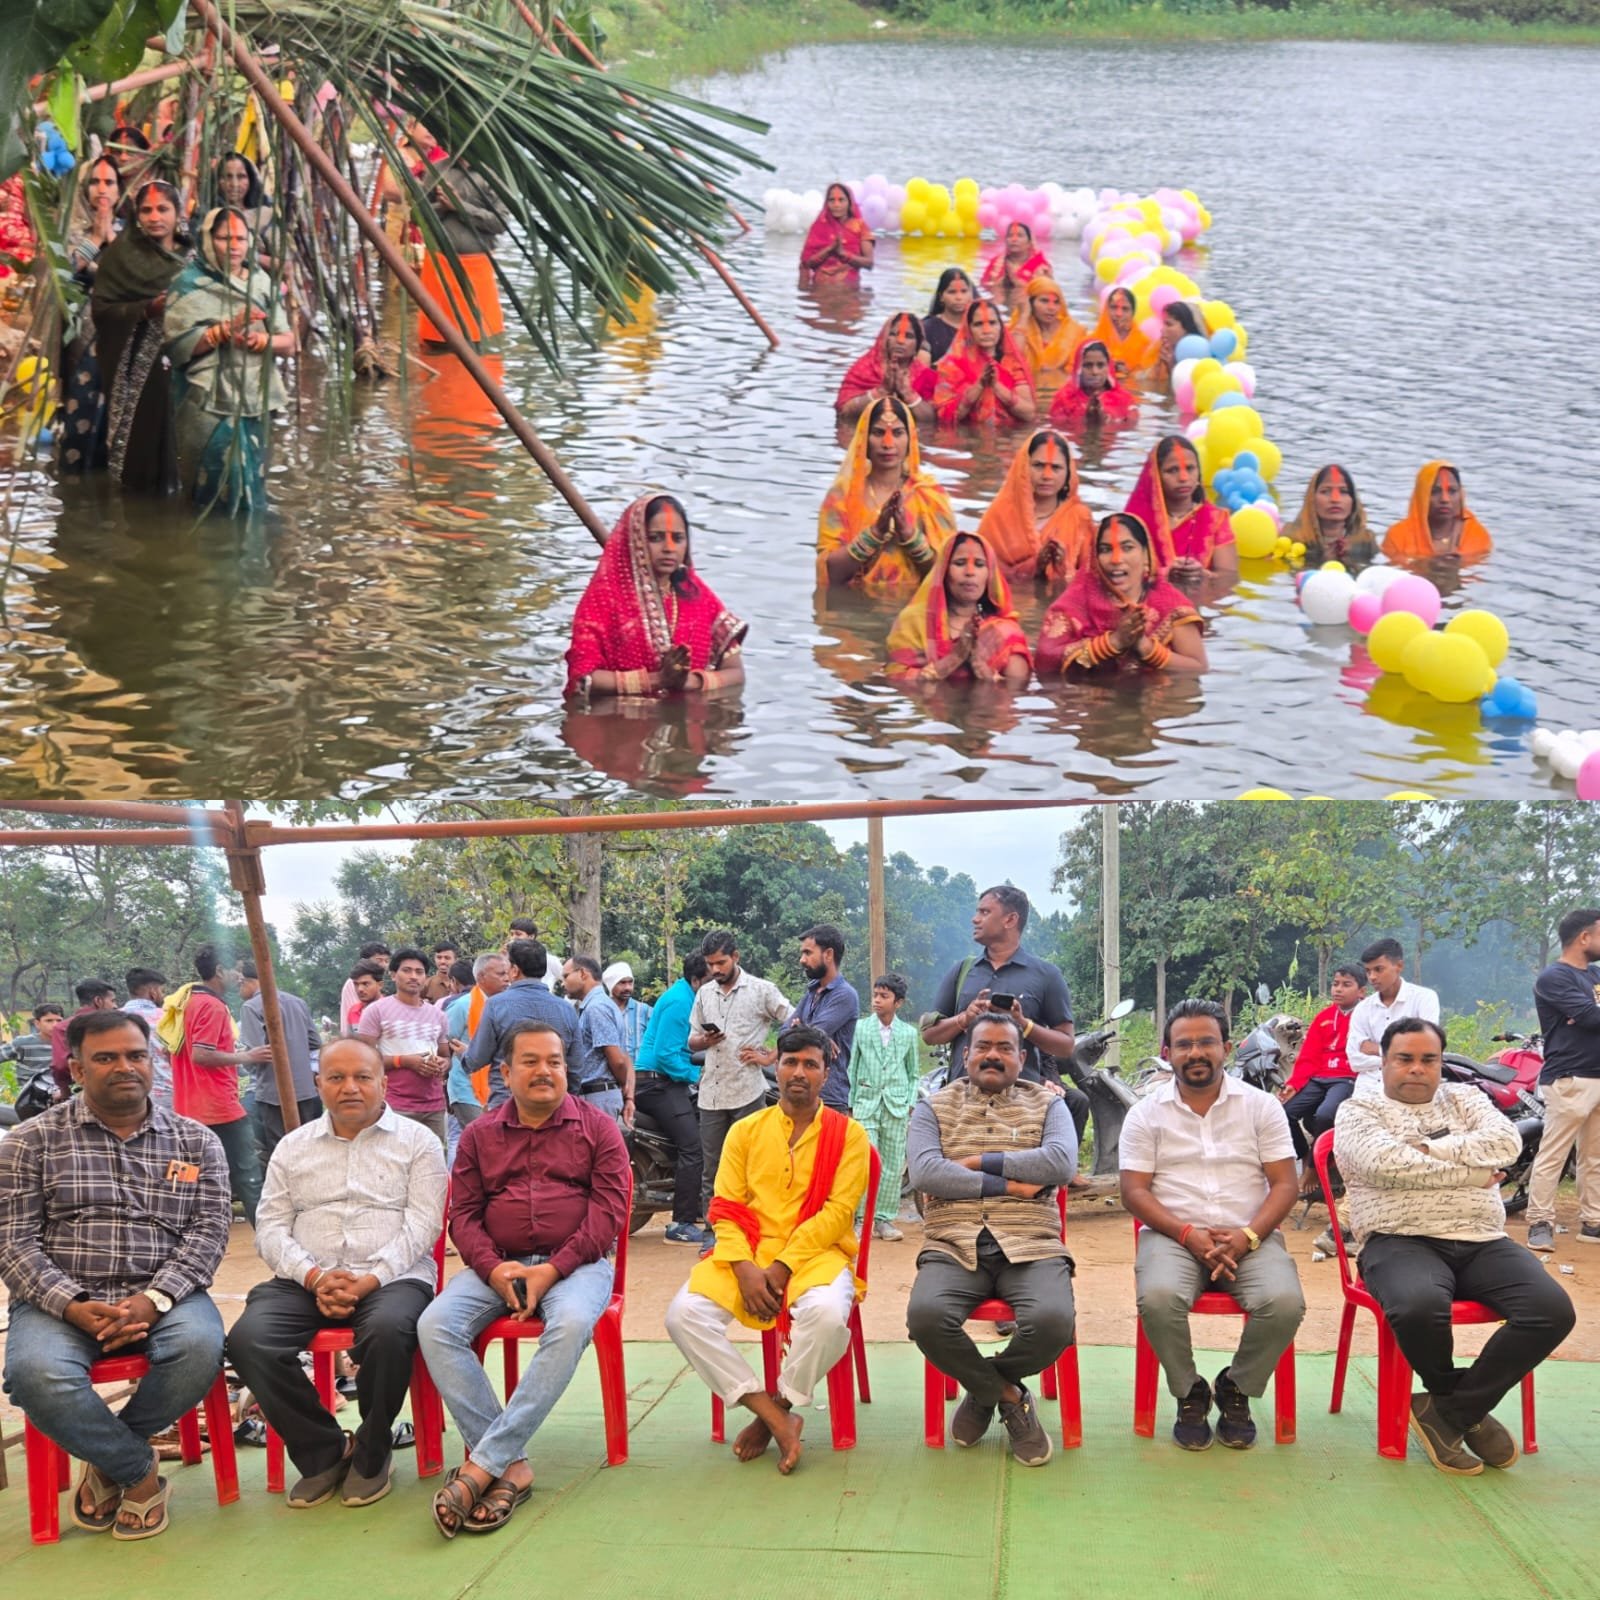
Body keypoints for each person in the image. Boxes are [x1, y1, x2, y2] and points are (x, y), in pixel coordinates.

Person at [0, 1009, 231, 1540]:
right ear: (78, 1069)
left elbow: (209, 1232)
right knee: (36, 1375)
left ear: (151, 1062)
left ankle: (105, 1460)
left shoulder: (197, 1142)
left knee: (200, 1349)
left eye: (135, 1055)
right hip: (58, 1301)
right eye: (106, 1058)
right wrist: (71, 1304)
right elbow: (13, 1242)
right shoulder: (29, 1142)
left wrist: (155, 1298)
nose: (124, 1067)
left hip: (168, 1295)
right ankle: (137, 1469)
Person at [1334, 1018, 1575, 1475]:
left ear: (1441, 1063)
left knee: (1552, 1310)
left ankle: (1448, 1411)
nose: (1417, 1069)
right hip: (1397, 1237)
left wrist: (1426, 1149)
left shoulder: (1465, 1097)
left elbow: (1506, 1142)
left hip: (1481, 1237)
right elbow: (1386, 1163)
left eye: (1429, 1059)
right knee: (1419, 1304)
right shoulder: (1358, 1110)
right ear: (1384, 1062)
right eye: (1404, 1058)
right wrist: (1471, 1169)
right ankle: (1460, 1404)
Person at [419, 1020, 630, 1536]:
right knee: (434, 1324)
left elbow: (610, 1211)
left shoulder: (598, 1128)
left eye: (554, 1062)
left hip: (576, 1265)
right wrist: (494, 1269)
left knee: (573, 1322)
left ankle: (484, 1463)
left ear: (567, 1069)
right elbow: (462, 1216)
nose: (544, 1072)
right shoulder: (478, 1135)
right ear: (505, 1073)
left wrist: (553, 1269)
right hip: (500, 1265)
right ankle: (510, 1463)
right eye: (530, 1062)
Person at [226, 1037, 447, 1508]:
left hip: (393, 1276)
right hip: (304, 1278)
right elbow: (269, 1226)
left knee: (389, 1331)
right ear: (318, 1084)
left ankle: (372, 1448)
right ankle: (324, 1452)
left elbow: (424, 1226)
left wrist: (369, 1279)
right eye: (337, 1077)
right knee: (249, 1340)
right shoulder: (293, 1147)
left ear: (383, 1083)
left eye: (363, 1077)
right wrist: (313, 1277)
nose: (351, 1087)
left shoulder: (419, 1143)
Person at [666, 1025, 870, 1475]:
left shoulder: (849, 1136)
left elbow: (838, 1214)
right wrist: (743, 1267)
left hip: (814, 1255)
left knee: (829, 1316)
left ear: (826, 1072)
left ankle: (781, 1403)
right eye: (790, 1062)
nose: (799, 1072)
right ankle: (773, 1413)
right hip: (747, 1253)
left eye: (810, 1064)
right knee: (683, 1315)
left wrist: (783, 1266)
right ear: (775, 1066)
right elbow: (726, 1206)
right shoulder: (745, 1131)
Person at [1120, 999, 1305, 1451]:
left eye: (1206, 1042)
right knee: (1159, 1298)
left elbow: (1285, 1184)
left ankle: (1236, 1387)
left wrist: (1248, 1237)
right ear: (1168, 1052)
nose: (1195, 1053)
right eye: (1184, 1044)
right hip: (1173, 1237)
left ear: (1226, 1048)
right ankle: (1190, 1392)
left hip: (1252, 1236)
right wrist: (1187, 1234)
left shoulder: (1261, 1107)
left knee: (1283, 1303)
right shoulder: (1145, 1113)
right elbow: (1134, 1192)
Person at [906, 1012, 1075, 1466]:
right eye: (983, 1047)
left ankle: (983, 1393)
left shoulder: (1049, 1105)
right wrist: (1010, 1183)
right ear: (966, 1055)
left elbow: (1059, 1164)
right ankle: (1007, 1395)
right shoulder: (933, 1106)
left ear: (1022, 1058)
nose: (993, 1056)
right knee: (926, 1317)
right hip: (952, 1241)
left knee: (1054, 1321)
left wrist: (977, 1161)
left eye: (1004, 1048)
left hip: (1031, 1242)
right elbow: (926, 1172)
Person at [922, 887, 1085, 1159]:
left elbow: (1066, 1046)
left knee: (1018, 1182)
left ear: (1010, 920)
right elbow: (930, 1035)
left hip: (1022, 1106)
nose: (975, 919)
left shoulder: (1045, 974)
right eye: (977, 912)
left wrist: (1023, 1024)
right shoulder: (963, 972)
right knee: (961, 1182)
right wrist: (965, 1018)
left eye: (984, 912)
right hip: (963, 1104)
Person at [565, 493, 747, 699]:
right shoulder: (604, 599)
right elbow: (582, 679)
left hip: (689, 719)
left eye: (678, 538)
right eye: (655, 538)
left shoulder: (697, 596)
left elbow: (735, 673)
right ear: (636, 540)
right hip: (621, 721)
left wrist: (691, 682)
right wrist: (658, 680)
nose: (669, 548)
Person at [90, 178, 189, 494]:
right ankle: (136, 503)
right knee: (141, 439)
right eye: (146, 210)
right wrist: (147, 308)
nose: (155, 217)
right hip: (136, 367)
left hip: (186, 360)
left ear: (178, 213)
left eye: (163, 209)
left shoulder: (194, 257)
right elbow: (101, 309)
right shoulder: (121, 256)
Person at [689, 930, 792, 1213]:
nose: (715, 969)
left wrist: (771, 1055)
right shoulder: (704, 993)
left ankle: (753, 1229)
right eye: (710, 964)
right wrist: (705, 1040)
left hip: (748, 1092)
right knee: (713, 1167)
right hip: (711, 1093)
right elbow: (691, 1039)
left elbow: (796, 1022)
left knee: (753, 1165)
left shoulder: (761, 990)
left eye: (721, 962)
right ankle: (715, 1233)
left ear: (735, 957)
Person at [163, 945, 268, 1225]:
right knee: (248, 1175)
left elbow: (173, 1050)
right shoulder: (212, 1006)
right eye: (235, 969)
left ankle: (169, 1228)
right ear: (220, 970)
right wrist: (249, 1055)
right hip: (219, 1107)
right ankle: (269, 1236)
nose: (239, 976)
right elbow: (202, 1054)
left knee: (184, 1174)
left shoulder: (186, 1001)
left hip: (188, 1105)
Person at [1035, 512, 1208, 678]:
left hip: (1156, 703)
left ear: (1146, 555)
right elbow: (1044, 662)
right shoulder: (1074, 603)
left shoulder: (1171, 604)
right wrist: (1113, 642)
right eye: (1105, 549)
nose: (1116, 559)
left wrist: (1146, 648)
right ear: (1095, 558)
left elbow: (1197, 667)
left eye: (1127, 547)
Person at [817, 397, 956, 592]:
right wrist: (875, 534)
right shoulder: (842, 495)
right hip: (856, 614)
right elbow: (831, 572)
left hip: (912, 615)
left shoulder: (929, 495)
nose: (888, 443)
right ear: (864, 439)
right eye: (878, 433)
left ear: (910, 440)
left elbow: (948, 577)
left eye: (898, 433)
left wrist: (910, 537)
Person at [1526, 907, 1600, 1253]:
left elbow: (1589, 1015)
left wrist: (1589, 1014)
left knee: (1594, 1156)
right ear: (1584, 937)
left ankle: (1593, 1221)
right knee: (1554, 1153)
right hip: (1569, 1077)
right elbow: (1588, 1016)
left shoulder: (1595, 975)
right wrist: (1587, 1014)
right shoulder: (1553, 977)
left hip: (1598, 1076)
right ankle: (1539, 1222)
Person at [886, 531, 1032, 687]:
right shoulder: (912, 622)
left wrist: (980, 666)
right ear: (943, 571)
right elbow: (895, 680)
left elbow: (1015, 691)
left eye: (979, 564)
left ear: (990, 575)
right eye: (960, 563)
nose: (970, 572)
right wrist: (955, 657)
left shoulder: (1004, 632)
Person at [635, 952, 711, 1245]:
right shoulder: (680, 1002)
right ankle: (680, 1223)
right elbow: (666, 1056)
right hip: (656, 1084)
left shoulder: (687, 997)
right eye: (709, 979)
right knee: (693, 1146)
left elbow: (682, 1051)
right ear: (696, 980)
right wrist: (697, 1077)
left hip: (666, 1081)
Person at [58, 154, 123, 476]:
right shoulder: (69, 228)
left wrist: (111, 238)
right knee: (78, 413)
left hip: (117, 340)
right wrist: (95, 239)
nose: (101, 189)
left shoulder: (133, 235)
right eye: (95, 182)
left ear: (119, 190)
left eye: (109, 182)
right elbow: (61, 276)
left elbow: (132, 279)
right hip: (79, 338)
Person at [847, 974, 922, 1240]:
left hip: (896, 1105)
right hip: (865, 1103)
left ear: (898, 1002)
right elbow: (852, 1067)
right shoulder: (860, 1029)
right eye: (875, 995)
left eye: (884, 996)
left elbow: (914, 1072)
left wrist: (911, 1101)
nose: (877, 1001)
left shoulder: (909, 1033)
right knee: (866, 1160)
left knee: (891, 1164)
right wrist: (851, 1103)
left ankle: (883, 1219)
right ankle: (860, 1219)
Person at [464, 937, 577, 1110]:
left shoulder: (496, 1005)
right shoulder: (566, 1009)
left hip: (507, 1104)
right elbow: (576, 1066)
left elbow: (476, 1060)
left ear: (515, 970)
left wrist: (462, 1054)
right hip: (552, 1104)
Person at [357, 948, 455, 1147]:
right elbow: (363, 1060)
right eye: (407, 971)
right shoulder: (376, 1011)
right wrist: (406, 1061)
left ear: (425, 977)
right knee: (393, 1166)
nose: (413, 977)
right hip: (394, 1105)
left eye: (419, 972)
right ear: (393, 975)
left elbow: (446, 1056)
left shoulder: (438, 1015)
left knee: (432, 1166)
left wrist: (443, 1065)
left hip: (434, 1106)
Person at [975, 426, 1094, 587]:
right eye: (1038, 465)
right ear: (1023, 468)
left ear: (1068, 474)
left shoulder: (1079, 517)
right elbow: (981, 576)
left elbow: (1090, 582)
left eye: (1056, 468)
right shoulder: (999, 516)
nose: (1046, 476)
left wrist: (1064, 567)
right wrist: (1036, 565)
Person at [1278, 964, 1366, 1180]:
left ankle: (1315, 1169)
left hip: (1346, 1078)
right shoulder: (1324, 1017)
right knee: (1283, 1112)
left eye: (1346, 985)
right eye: (1335, 984)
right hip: (1319, 1077)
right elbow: (1308, 1057)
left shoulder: (1367, 1016)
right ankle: (1305, 1155)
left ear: (1361, 991)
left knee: (1326, 1114)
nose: (1338, 989)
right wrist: (1293, 1085)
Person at [239, 960, 323, 1163]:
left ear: (246, 982)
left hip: (273, 1093)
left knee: (282, 1151)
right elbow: (315, 1041)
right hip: (306, 1090)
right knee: (310, 1147)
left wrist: (243, 1060)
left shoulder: (251, 1007)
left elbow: (256, 1054)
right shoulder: (297, 1002)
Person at [1124, 436, 1238, 578]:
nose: (1184, 478)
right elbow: (1121, 572)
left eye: (1190, 468)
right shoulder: (1134, 520)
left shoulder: (1215, 519)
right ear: (1156, 477)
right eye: (1172, 470)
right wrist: (1163, 573)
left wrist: (1203, 575)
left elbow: (1229, 579)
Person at [445, 952, 510, 1163]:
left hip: (495, 1087)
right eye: (500, 974)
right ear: (481, 977)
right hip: (466, 1087)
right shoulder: (464, 1005)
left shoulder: (502, 1005)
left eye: (508, 973)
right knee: (482, 1143)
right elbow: (446, 1040)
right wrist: (468, 1051)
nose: (507, 979)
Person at [932, 299, 1037, 428]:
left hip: (1007, 440)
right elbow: (944, 417)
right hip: (969, 441)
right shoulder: (951, 367)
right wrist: (979, 386)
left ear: (1001, 327)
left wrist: (997, 387)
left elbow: (1029, 413)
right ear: (968, 329)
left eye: (992, 323)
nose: (987, 330)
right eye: (978, 324)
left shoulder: (1011, 364)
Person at [559, 955, 637, 1126]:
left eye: (566, 976)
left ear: (582, 974)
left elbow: (617, 1059)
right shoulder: (596, 1005)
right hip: (596, 1096)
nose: (563, 983)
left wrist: (625, 1089)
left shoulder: (597, 1008)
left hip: (597, 1097)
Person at [1346, 938, 1441, 1075]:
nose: (1372, 977)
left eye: (1378, 969)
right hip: (1368, 1087)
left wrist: (1376, 1050)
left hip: (1409, 1084)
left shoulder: (1424, 998)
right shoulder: (1363, 1008)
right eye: (1368, 971)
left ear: (1399, 966)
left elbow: (1425, 1048)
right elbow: (1354, 1061)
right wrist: (1403, 1056)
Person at [834, 312, 936, 424]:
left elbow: (933, 421)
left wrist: (908, 394)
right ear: (884, 338)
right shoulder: (865, 368)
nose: (900, 341)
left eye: (909, 336)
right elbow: (844, 413)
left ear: (918, 343)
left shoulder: (925, 376)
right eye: (893, 334)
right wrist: (882, 390)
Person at [1382, 461, 1493, 563]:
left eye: (1452, 491)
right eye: (1434, 492)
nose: (1445, 499)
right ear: (1421, 496)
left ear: (1461, 495)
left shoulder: (1477, 535)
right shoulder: (1398, 536)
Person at [1283, 464, 1376, 568]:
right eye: (1325, 491)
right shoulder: (1291, 538)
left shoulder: (1365, 542)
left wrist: (1349, 560)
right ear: (1311, 499)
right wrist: (1321, 561)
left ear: (1354, 501)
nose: (1335, 499)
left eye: (1343, 491)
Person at [1008, 277, 1086, 397]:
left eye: (1056, 302)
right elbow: (1013, 358)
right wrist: (1023, 316)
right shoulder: (1017, 329)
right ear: (1030, 303)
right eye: (1044, 301)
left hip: (1062, 395)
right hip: (1024, 394)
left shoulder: (1075, 332)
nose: (1051, 308)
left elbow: (1077, 373)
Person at [1048, 339, 1139, 430]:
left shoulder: (1124, 398)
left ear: (1109, 367)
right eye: (1088, 365)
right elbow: (1057, 427)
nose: (1095, 372)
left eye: (1100, 365)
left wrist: (1104, 420)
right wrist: (1085, 419)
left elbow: (1131, 426)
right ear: (1078, 368)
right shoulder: (1063, 398)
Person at [52, 979, 119, 1098]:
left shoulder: (62, 1028)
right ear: (98, 1001)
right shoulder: (119, 1025)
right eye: (112, 1001)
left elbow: (61, 1066)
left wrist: (64, 1093)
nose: (115, 1006)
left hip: (84, 1093)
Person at [800, 182, 874, 287]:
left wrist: (843, 254)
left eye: (841, 200)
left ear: (850, 202)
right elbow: (807, 263)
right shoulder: (819, 226)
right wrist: (829, 250)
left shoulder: (860, 226)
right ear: (827, 203)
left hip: (849, 291)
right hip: (821, 291)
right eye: (832, 200)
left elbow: (869, 263)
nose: (836, 204)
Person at [209, 151, 276, 263]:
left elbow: (285, 263)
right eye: (227, 176)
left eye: (241, 177)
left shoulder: (264, 215)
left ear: (250, 180)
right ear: (218, 181)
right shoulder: (208, 216)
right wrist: (259, 259)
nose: (234, 184)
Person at [121, 971, 173, 1112]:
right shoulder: (168, 1018)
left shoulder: (113, 1019)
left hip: (128, 1090)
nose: (163, 995)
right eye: (162, 991)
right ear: (153, 992)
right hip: (166, 1092)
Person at [2, 1002, 64, 1103]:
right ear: (37, 1023)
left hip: (60, 1097)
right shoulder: (23, 1043)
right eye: (49, 1021)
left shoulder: (68, 1044)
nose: (55, 1025)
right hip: (29, 1099)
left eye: (59, 1020)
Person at [1091, 285, 1155, 381]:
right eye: (1114, 307)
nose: (1118, 314)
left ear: (1132, 313)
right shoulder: (1091, 341)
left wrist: (1129, 373)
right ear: (1106, 310)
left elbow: (1147, 378)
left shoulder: (1145, 344)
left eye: (1125, 309)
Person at [979, 221, 1051, 304]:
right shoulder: (996, 263)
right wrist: (997, 285)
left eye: (1020, 235)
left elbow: (1047, 294)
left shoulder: (1041, 266)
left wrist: (1017, 283)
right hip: (1001, 304)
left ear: (1029, 242)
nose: (1014, 239)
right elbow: (984, 286)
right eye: (1010, 236)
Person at [923, 267, 976, 364]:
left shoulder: (978, 326)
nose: (959, 297)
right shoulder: (927, 328)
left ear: (971, 295)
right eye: (952, 292)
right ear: (941, 297)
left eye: (964, 291)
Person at [1151, 301, 1205, 392]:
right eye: (1163, 324)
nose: (1162, 330)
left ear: (1187, 329)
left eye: (1169, 324)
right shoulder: (1161, 351)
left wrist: (1171, 367)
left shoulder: (1198, 355)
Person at [603, 962, 653, 1059]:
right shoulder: (602, 1011)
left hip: (642, 1072)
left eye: (630, 982)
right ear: (611, 985)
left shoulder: (644, 1010)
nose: (628, 987)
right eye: (622, 983)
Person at [340, 943, 391, 1035]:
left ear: (380, 985)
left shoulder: (390, 1008)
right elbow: (355, 1016)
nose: (383, 965)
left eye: (386, 961)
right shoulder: (352, 983)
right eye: (379, 960)